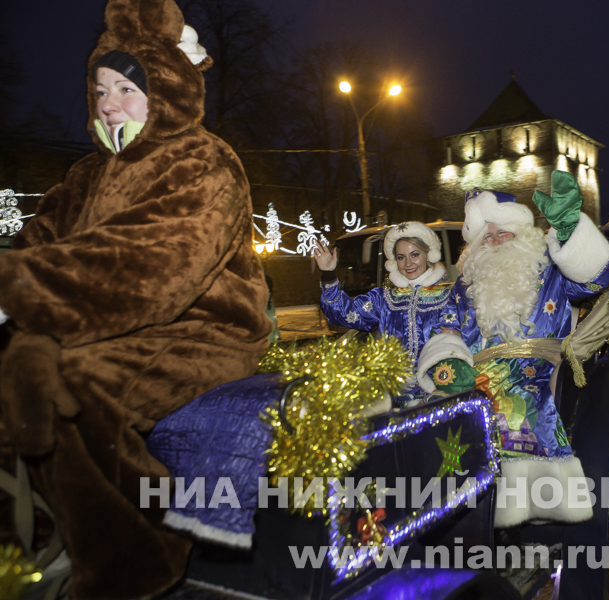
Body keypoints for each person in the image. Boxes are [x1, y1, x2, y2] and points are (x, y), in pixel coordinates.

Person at [0, 1, 272, 598]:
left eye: (126, 87)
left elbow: (152, 271)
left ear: (165, 91)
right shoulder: (86, 176)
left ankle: (138, 549)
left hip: (199, 335)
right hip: (107, 325)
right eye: (99, 89)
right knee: (19, 368)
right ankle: (37, 537)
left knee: (73, 382)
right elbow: (39, 238)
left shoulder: (204, 162)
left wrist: (17, 287)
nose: (107, 102)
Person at [416, 170, 609, 528]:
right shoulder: (465, 284)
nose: (493, 241)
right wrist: (447, 360)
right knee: (424, 409)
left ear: (521, 233)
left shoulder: (552, 270)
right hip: (474, 371)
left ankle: (526, 514)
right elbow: (444, 325)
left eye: (501, 232)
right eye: (485, 235)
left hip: (534, 370)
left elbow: (597, 278)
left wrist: (571, 231)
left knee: (511, 411)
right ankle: (450, 514)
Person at [313, 221, 454, 408]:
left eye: (415, 255)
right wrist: (328, 274)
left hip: (438, 397)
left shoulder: (449, 296)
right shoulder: (384, 299)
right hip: (391, 399)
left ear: (429, 255)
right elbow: (345, 314)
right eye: (401, 257)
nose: (408, 263)